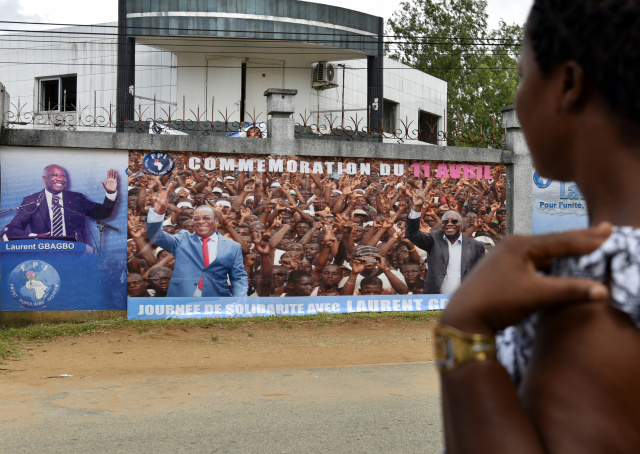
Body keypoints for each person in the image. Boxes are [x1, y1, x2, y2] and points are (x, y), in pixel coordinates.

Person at [437, 1, 640, 452]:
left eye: (522, 77)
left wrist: (463, 327)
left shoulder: (597, 284)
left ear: (567, 84)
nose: (518, 102)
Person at [146, 184, 248, 297]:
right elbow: (155, 235)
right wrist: (158, 213)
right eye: (196, 219)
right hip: (182, 302)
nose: (200, 222)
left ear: (216, 221)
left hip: (216, 302)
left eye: (206, 218)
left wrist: (239, 301)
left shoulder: (232, 246)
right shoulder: (182, 240)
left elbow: (238, 277)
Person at [2, 164, 118, 245]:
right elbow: (12, 229)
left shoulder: (77, 198)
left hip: (77, 256)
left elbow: (103, 213)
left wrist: (111, 192)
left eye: (62, 176)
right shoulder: (32, 201)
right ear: (44, 179)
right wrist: (35, 237)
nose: (60, 179)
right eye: (54, 175)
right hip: (43, 255)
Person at [406, 203, 484, 294]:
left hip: (464, 300)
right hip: (435, 301)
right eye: (445, 221)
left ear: (462, 225)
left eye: (454, 221)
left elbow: (482, 274)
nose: (449, 224)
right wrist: (416, 207)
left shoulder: (476, 246)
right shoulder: (434, 239)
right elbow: (412, 234)